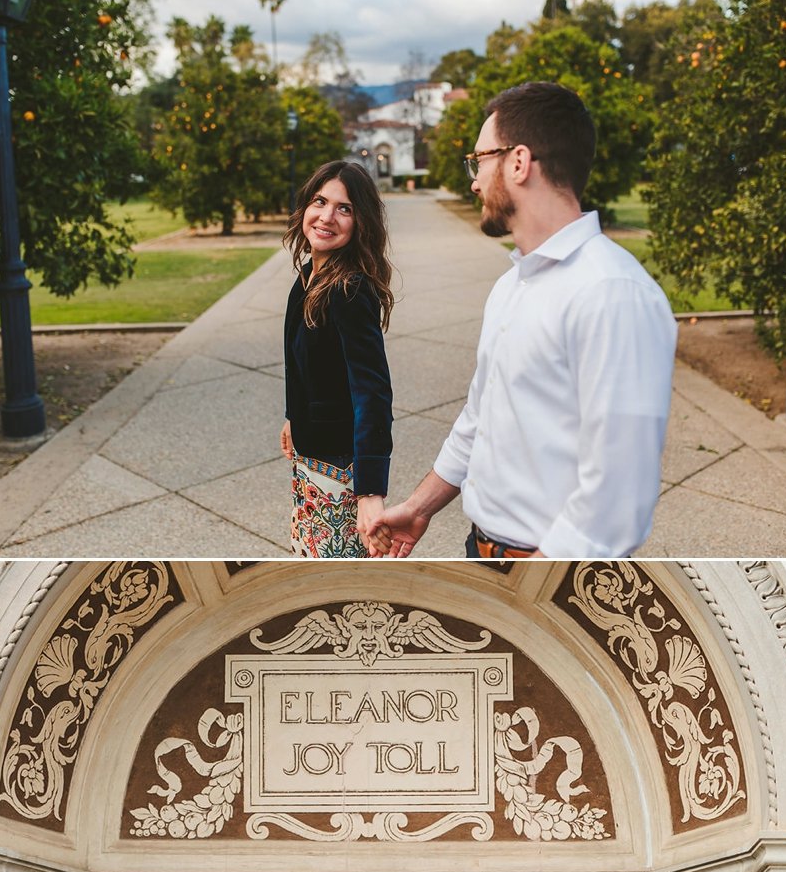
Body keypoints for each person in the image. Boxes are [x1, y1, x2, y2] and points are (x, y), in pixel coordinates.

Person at [371, 80, 676, 561]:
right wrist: (420, 506)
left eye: (479, 162)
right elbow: (480, 416)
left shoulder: (613, 293)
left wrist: (526, 581)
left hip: (543, 567)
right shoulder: (512, 285)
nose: (473, 181)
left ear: (518, 161)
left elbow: (616, 503)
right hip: (481, 548)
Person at [282, 159, 394, 558]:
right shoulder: (309, 275)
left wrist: (370, 491)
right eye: (319, 201)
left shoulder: (350, 290)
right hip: (309, 460)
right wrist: (292, 417)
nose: (327, 216)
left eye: (344, 208)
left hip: (341, 469)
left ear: (360, 222)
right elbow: (304, 367)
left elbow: (373, 393)